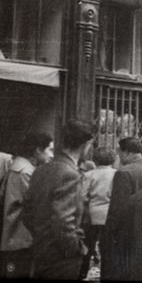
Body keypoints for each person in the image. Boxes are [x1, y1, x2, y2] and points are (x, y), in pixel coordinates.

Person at [21, 120, 97, 280]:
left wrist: (41, 236)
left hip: (41, 251)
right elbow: (63, 222)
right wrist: (77, 248)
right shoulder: (69, 174)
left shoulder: (41, 170)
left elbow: (27, 212)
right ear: (87, 143)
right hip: (61, 257)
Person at [101, 137, 142, 281]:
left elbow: (117, 210)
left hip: (130, 235)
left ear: (126, 152)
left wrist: (108, 235)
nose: (118, 156)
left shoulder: (124, 172)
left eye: (119, 152)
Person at [0, 133, 53, 279]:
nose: (52, 155)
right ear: (38, 150)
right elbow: (36, 205)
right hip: (20, 239)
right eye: (50, 150)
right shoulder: (25, 172)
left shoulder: (20, 167)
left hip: (17, 238)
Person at [78, 147, 117, 280]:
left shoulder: (88, 175)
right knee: (108, 248)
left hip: (91, 216)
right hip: (110, 215)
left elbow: (82, 196)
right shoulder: (117, 174)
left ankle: (82, 274)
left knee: (88, 246)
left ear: (95, 159)